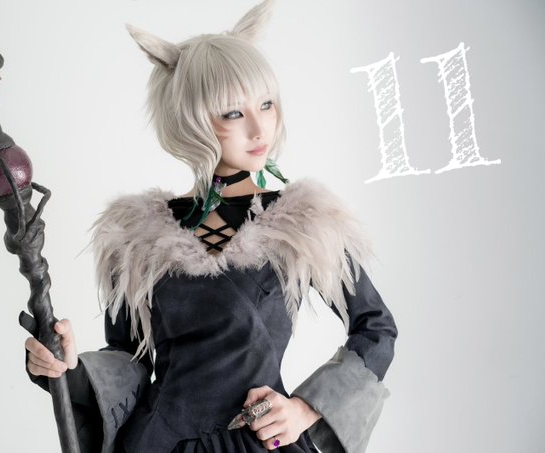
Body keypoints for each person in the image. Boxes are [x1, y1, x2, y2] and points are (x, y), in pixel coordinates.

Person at [24, 1, 397, 452]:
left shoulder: (302, 222)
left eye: (266, 105)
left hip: (258, 441)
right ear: (192, 119)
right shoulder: (137, 236)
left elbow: (375, 328)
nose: (259, 128)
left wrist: (304, 409)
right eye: (233, 113)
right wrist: (69, 369)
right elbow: (128, 358)